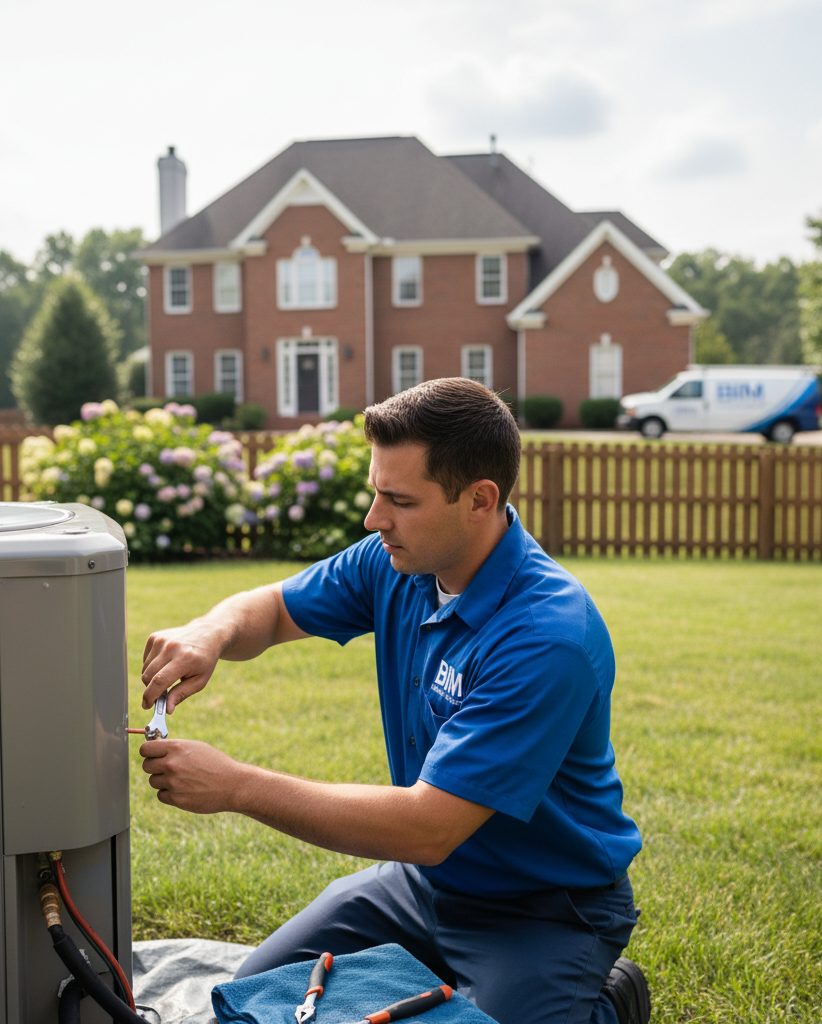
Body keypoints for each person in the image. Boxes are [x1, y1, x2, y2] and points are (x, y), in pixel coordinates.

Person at [139, 379, 650, 1024]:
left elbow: (428, 827)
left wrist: (237, 786)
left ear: (479, 500)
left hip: (542, 904)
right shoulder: (397, 561)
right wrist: (207, 634)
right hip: (422, 884)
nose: (373, 518)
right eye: (376, 492)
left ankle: (609, 1000)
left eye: (399, 500)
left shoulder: (549, 635)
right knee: (258, 994)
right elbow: (271, 609)